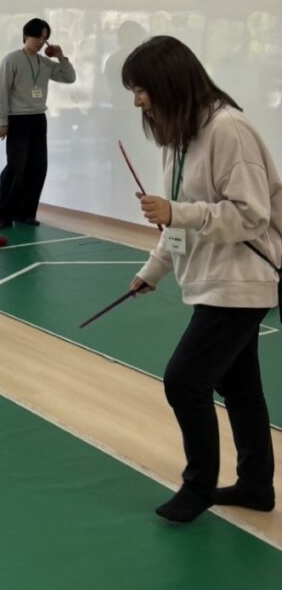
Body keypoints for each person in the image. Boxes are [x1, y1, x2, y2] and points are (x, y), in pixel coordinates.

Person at [123, 36, 280, 522]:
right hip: (215, 281)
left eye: (142, 89)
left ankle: (198, 487)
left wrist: (178, 212)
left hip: (242, 281)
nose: (137, 101)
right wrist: (153, 270)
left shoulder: (229, 129)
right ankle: (256, 485)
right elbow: (179, 223)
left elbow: (251, 216)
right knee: (239, 386)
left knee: (184, 381)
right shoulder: (178, 138)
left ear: (170, 82)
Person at [0, 18, 76, 230]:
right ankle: (3, 215)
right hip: (17, 119)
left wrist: (60, 56)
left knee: (38, 168)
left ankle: (25, 213)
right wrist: (3, 121)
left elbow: (69, 77)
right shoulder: (12, 60)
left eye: (44, 38)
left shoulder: (44, 63)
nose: (40, 41)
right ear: (25, 36)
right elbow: (1, 91)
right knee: (16, 168)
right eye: (37, 36)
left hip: (38, 118)